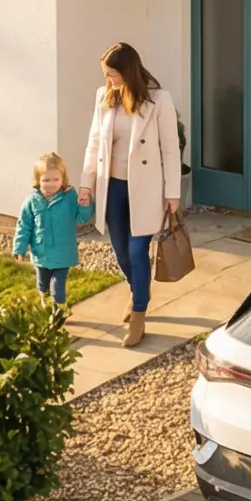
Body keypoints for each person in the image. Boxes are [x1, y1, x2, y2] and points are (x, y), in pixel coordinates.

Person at [79, 42, 181, 348]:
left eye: (112, 73)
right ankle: (137, 291)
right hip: (112, 187)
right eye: (106, 74)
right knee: (121, 252)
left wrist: (172, 192)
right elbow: (94, 141)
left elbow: (169, 148)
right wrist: (87, 182)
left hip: (146, 188)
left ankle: (139, 314)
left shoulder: (159, 100)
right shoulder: (104, 96)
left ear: (127, 70)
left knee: (138, 252)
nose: (107, 78)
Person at [13, 151, 91, 317]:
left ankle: (58, 314)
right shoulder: (32, 201)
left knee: (58, 287)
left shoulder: (69, 198)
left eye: (56, 180)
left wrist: (85, 205)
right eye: (46, 180)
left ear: (63, 179)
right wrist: (19, 248)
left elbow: (81, 217)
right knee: (43, 283)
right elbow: (24, 225)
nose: (51, 184)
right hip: (41, 253)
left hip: (63, 254)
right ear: (38, 180)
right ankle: (44, 301)